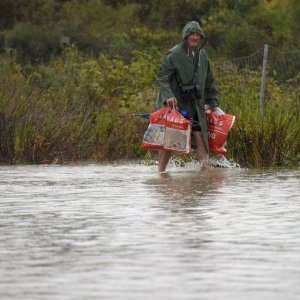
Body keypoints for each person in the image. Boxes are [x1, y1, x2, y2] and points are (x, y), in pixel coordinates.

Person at [156, 20, 220, 172]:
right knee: (170, 140)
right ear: (186, 36)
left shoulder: (203, 56)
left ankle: (206, 173)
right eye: (192, 34)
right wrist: (168, 96)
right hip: (176, 104)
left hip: (196, 104)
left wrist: (213, 102)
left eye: (198, 34)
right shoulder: (174, 54)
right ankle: (161, 172)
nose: (195, 37)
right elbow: (162, 76)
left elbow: (209, 80)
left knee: (200, 136)